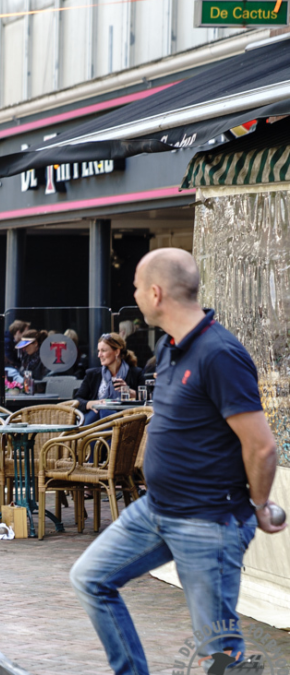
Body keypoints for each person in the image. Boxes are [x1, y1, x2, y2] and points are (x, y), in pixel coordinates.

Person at [70, 248, 285, 674]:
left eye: (135, 286)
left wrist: (259, 506)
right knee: (90, 579)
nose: (133, 294)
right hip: (157, 510)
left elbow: (262, 446)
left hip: (209, 521)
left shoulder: (219, 353)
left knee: (218, 649)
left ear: (155, 293)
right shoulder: (169, 347)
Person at [71, 332, 143, 424]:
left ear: (117, 352)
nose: (99, 355)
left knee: (106, 410)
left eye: (103, 351)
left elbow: (147, 400)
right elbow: (77, 400)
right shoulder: (92, 374)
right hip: (95, 419)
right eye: (98, 351)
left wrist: (129, 391)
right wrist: (93, 404)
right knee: (103, 409)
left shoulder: (135, 373)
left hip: (125, 420)